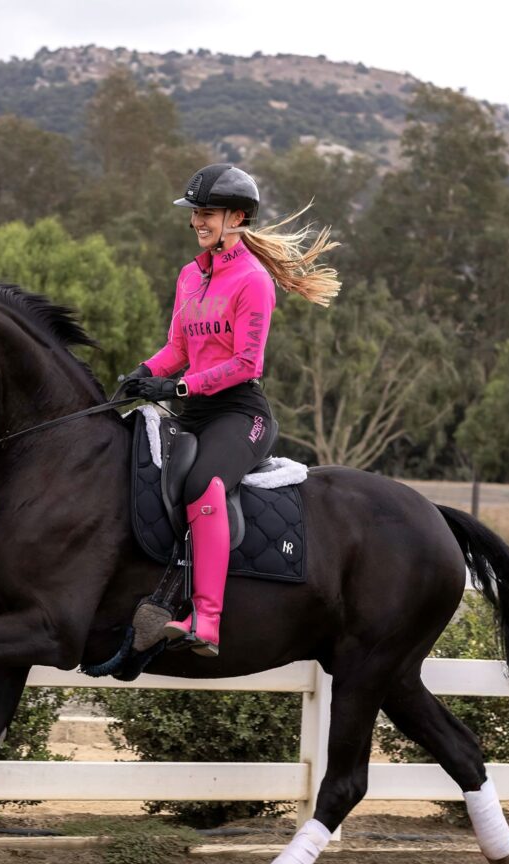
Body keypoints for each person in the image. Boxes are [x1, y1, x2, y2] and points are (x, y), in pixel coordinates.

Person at [123, 163, 341, 657]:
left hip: (241, 414)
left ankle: (208, 620)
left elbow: (247, 363)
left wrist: (179, 388)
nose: (198, 222)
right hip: (192, 408)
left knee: (204, 485)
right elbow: (177, 346)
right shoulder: (188, 276)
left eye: (208, 214)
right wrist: (138, 373)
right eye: (196, 213)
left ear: (237, 217)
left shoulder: (253, 280)